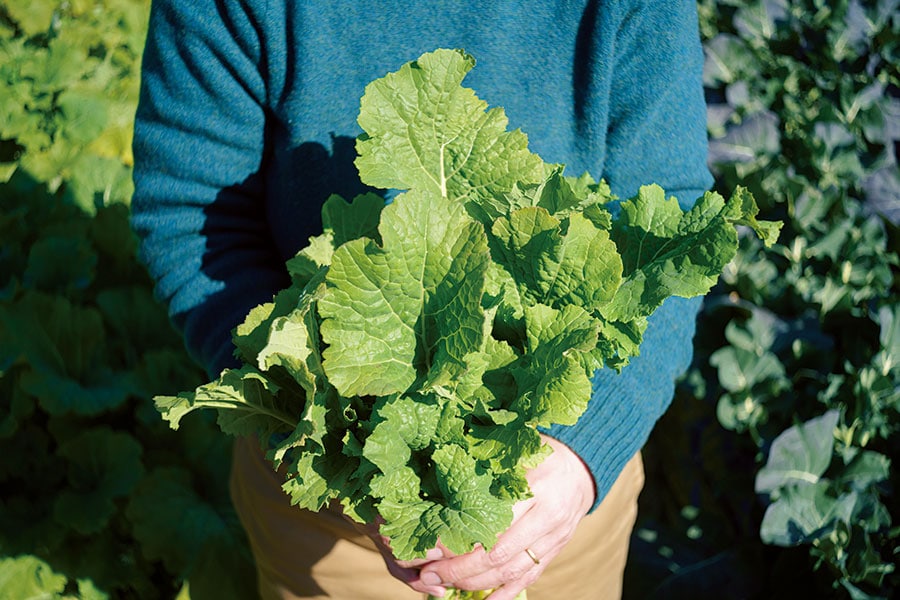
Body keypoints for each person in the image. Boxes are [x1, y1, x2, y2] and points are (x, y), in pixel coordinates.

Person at [131, 1, 714, 598]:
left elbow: (672, 221)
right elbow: (190, 214)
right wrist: (329, 428)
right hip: (339, 523)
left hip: (560, 498)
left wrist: (586, 452)